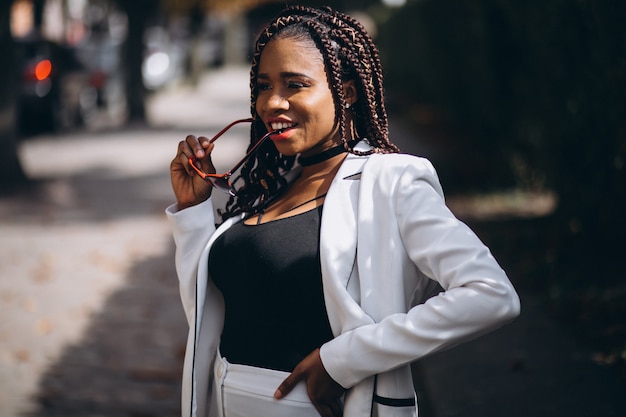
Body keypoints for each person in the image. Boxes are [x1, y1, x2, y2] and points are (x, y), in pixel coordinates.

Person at [167, 5, 520, 417]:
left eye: (295, 85)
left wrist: (344, 360)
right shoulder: (267, 187)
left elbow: (491, 295)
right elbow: (208, 315)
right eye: (264, 85)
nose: (272, 103)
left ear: (347, 92)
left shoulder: (391, 182)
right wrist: (193, 212)